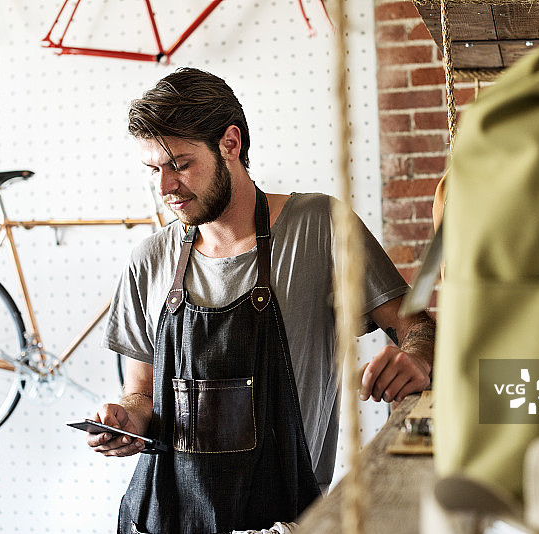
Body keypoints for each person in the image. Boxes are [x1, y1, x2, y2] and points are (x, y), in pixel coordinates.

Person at [88, 67, 435, 534]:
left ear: (230, 144)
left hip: (283, 522)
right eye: (153, 170)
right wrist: (126, 419)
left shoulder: (320, 228)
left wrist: (417, 358)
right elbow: (142, 393)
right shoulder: (149, 259)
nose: (165, 187)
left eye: (180, 164)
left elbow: (417, 326)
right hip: (163, 521)